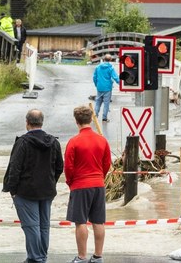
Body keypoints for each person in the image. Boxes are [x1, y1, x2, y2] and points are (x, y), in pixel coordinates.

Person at [2, 109, 64, 263]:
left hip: (26, 191)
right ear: (41, 122)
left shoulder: (22, 142)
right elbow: (59, 167)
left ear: (27, 123)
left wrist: (13, 190)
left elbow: (15, 167)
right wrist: (51, 182)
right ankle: (39, 256)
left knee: (31, 226)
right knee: (43, 226)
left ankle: (36, 258)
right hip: (47, 190)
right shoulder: (54, 142)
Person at [64, 106, 112, 263]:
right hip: (98, 184)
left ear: (76, 121)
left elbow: (68, 167)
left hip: (80, 185)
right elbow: (107, 164)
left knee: (80, 222)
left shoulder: (73, 142)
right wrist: (100, 178)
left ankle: (82, 257)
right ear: (91, 119)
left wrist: (70, 182)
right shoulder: (102, 140)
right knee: (98, 221)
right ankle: (98, 256)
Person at [93, 54, 119, 122]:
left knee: (98, 102)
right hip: (107, 88)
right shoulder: (111, 68)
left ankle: (95, 117)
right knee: (106, 103)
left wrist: (96, 84)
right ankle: (104, 118)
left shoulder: (98, 67)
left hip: (99, 87)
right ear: (110, 60)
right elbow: (115, 77)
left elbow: (94, 77)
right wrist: (121, 84)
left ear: (103, 59)